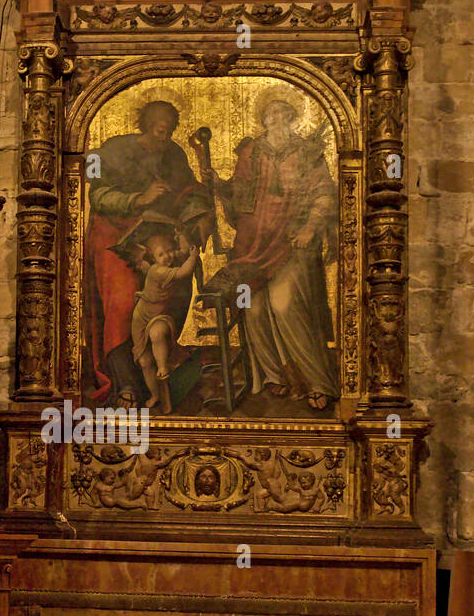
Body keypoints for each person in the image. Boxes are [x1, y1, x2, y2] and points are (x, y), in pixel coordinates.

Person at [207, 96, 338, 410]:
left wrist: (311, 226)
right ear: (262, 119)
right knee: (252, 308)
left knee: (284, 306)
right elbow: (239, 193)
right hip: (254, 241)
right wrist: (220, 186)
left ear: (292, 116)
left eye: (283, 111)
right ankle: (275, 375)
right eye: (270, 112)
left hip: (294, 239)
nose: (276, 117)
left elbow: (324, 193)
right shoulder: (251, 151)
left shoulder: (308, 150)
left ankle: (316, 381)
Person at [85, 100, 212, 405]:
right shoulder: (115, 150)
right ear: (143, 122)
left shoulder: (174, 154)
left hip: (157, 232)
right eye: (157, 121)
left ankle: (162, 364)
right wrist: (138, 199)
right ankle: (126, 381)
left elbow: (188, 190)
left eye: (168, 124)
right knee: (124, 302)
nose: (162, 128)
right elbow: (99, 194)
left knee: (175, 288)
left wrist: (200, 214)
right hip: (114, 234)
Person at [131, 235, 199, 412]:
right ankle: (155, 395)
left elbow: (180, 251)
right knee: (145, 361)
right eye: (161, 254)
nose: (167, 256)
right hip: (141, 317)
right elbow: (184, 272)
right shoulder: (157, 271)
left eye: (169, 251)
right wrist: (193, 257)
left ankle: (162, 367)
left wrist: (181, 238)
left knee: (157, 333)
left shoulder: (164, 262)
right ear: (154, 258)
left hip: (159, 314)